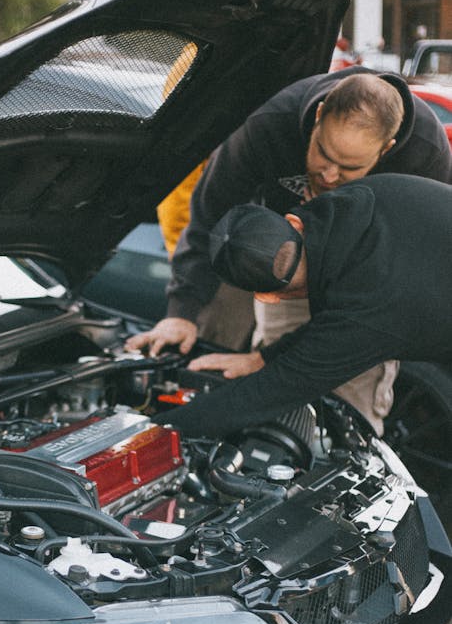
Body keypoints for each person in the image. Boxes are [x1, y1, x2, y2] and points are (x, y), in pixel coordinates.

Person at [134, 69, 452, 428]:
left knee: (347, 403)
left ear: (387, 149)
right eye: (323, 154)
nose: (329, 176)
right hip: (297, 255)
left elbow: (296, 374)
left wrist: (157, 435)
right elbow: (212, 213)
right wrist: (183, 310)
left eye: (348, 168)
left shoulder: (425, 154)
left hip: (385, 291)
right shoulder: (270, 124)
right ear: (318, 117)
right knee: (283, 403)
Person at [152, 175, 452, 441]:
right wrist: (263, 358)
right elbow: (333, 330)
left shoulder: (369, 313)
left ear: (267, 297)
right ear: (292, 222)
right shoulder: (360, 195)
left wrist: (148, 434)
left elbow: (264, 396)